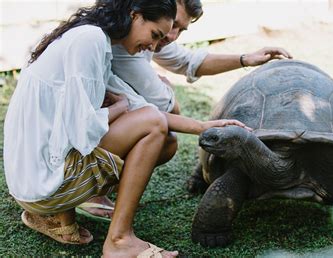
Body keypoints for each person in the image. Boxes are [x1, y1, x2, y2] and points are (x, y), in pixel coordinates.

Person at [3, 0, 248, 257]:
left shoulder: (94, 39)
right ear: (135, 15)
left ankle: (55, 216)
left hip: (33, 182)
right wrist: (118, 109)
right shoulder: (90, 41)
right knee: (153, 126)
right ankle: (119, 240)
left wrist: (204, 127)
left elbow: (139, 106)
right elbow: (83, 130)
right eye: (154, 35)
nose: (152, 47)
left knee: (164, 138)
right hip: (42, 184)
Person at [78, 0, 293, 221]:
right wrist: (168, 90)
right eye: (174, 26)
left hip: (97, 122)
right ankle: (87, 193)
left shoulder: (148, 33)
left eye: (181, 29)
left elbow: (187, 61)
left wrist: (246, 59)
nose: (173, 36)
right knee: (160, 135)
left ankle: (96, 192)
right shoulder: (120, 43)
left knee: (164, 135)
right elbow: (164, 106)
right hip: (80, 133)